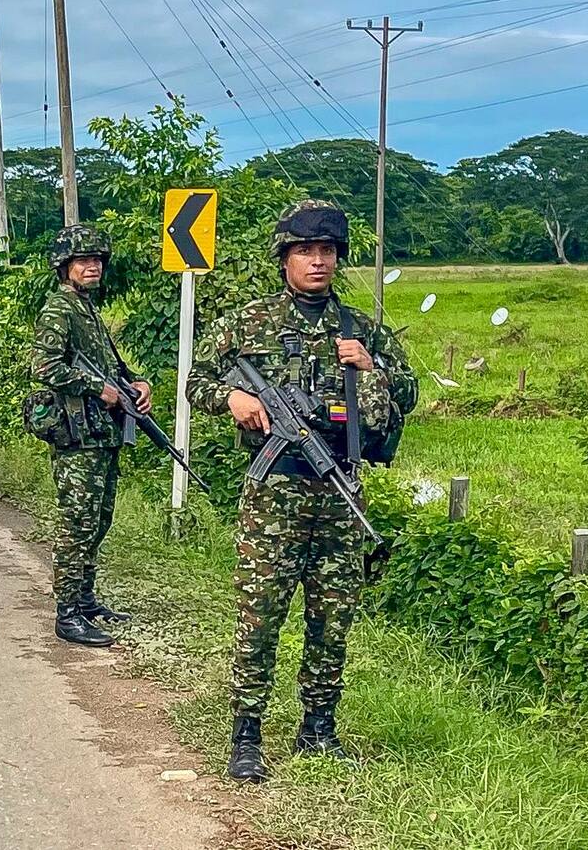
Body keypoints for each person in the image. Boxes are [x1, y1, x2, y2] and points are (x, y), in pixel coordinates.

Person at [186, 200, 417, 782]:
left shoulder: (361, 329)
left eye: (328, 252)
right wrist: (233, 399)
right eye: (306, 252)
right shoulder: (250, 322)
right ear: (285, 258)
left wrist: (373, 368)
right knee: (259, 617)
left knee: (333, 617)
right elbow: (196, 381)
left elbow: (408, 397)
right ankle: (247, 732)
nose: (318, 262)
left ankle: (318, 726)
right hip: (274, 497)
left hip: (339, 493)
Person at [31, 224, 152, 649]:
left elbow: (110, 366)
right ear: (65, 267)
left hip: (100, 433)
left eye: (98, 260)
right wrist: (99, 388)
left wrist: (134, 383)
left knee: (98, 520)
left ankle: (84, 599)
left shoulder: (86, 309)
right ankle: (67, 613)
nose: (93, 266)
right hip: (75, 434)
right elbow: (44, 367)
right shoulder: (59, 309)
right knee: (77, 522)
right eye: (84, 260)